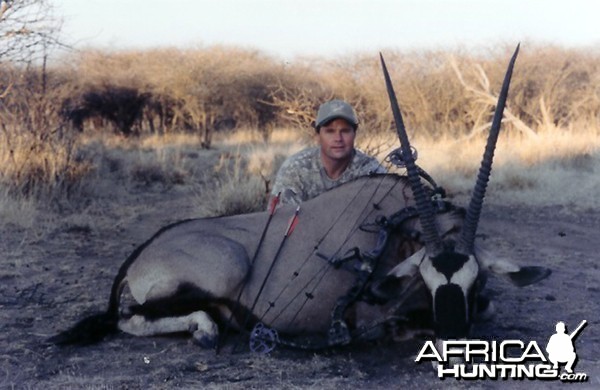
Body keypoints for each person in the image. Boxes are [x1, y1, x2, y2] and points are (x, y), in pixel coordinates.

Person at [270, 99, 386, 206]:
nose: (338, 138)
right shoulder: (295, 169)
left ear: (354, 134)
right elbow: (280, 221)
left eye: (345, 131)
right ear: (318, 136)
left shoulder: (371, 170)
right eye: (330, 131)